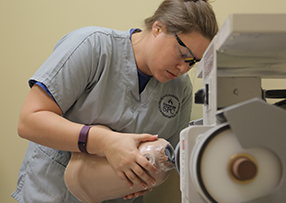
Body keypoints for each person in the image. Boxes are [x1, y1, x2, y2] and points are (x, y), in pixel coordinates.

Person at [12, 0, 218, 202]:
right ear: (158, 28)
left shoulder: (180, 88)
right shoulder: (92, 47)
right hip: (54, 192)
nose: (184, 68)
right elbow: (29, 121)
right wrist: (105, 142)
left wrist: (146, 178)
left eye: (193, 62)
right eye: (182, 54)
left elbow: (171, 157)